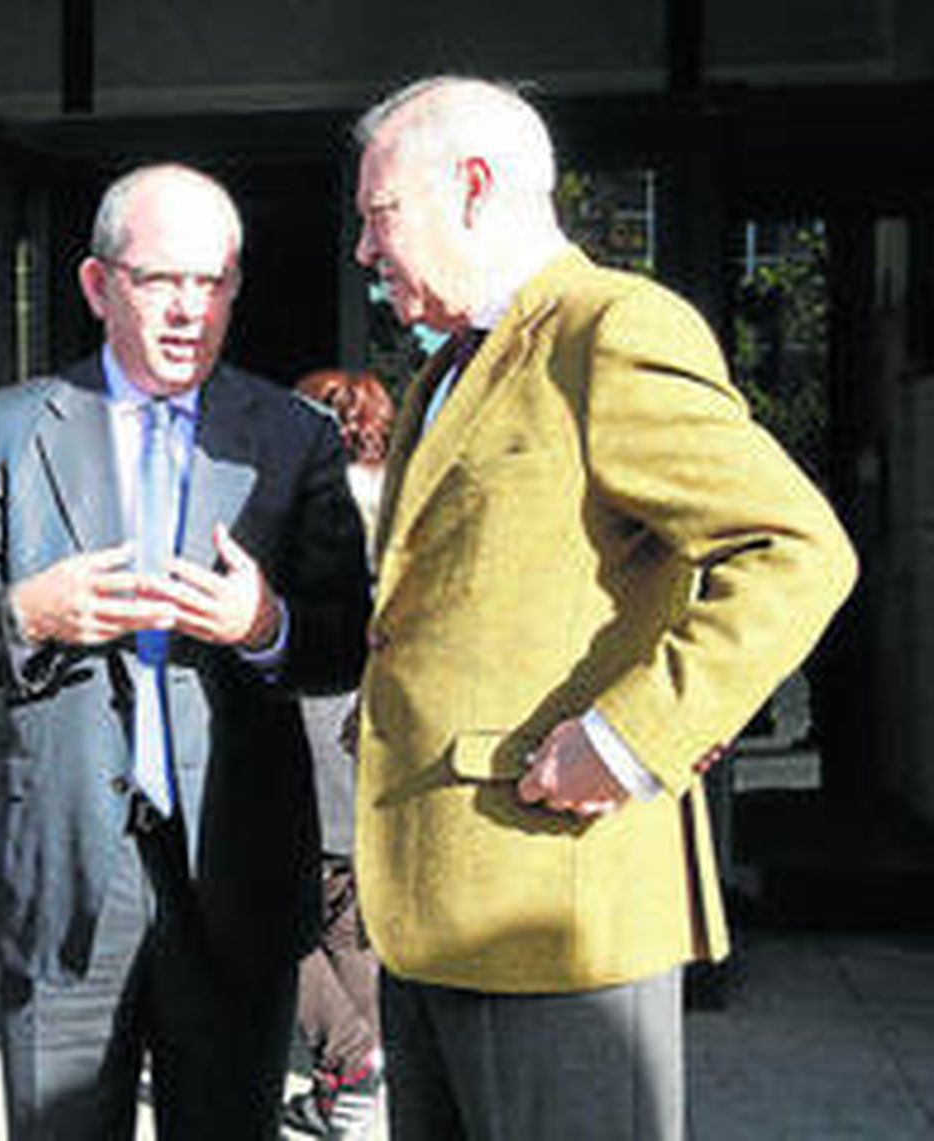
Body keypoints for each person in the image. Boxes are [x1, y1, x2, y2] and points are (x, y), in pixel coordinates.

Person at [350, 76, 858, 1141]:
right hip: (433, 909)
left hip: (556, 914)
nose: (363, 248)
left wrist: (632, 737)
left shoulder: (612, 329)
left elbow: (796, 551)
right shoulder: (450, 363)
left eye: (378, 215)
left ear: (473, 187)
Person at [0, 163, 371, 1138]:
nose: (188, 309)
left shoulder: (293, 438)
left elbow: (346, 642)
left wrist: (264, 625)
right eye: (160, 280)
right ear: (95, 284)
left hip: (234, 873)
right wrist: (28, 613)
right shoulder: (4, 431)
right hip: (65, 874)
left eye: (214, 283)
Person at [283, 370, 393, 1140]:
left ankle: (348, 1058)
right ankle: (363, 1068)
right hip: (378, 716)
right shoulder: (399, 489)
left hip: (315, 708)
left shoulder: (306, 500)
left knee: (272, 910)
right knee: (351, 909)